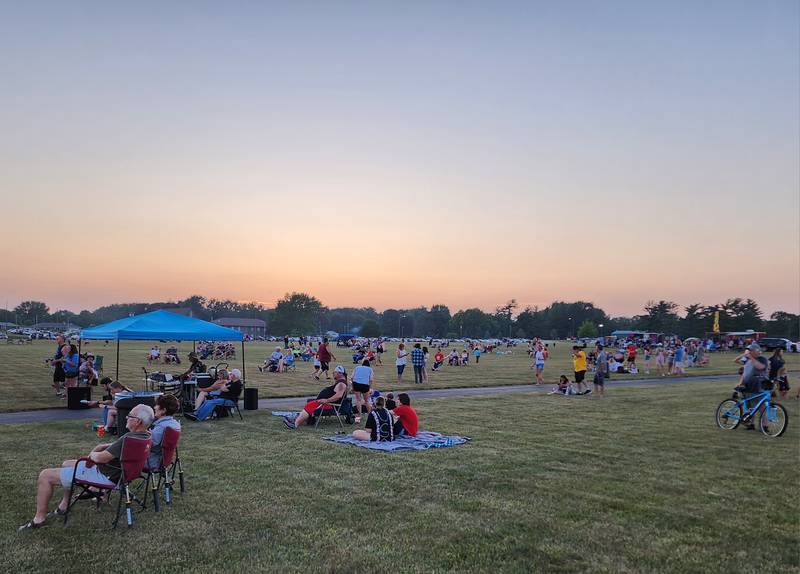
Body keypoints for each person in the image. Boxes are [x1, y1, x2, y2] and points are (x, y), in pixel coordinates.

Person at [18, 404, 154, 530]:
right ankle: (64, 505)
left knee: (45, 475)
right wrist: (106, 446)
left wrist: (94, 451)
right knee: (66, 464)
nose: (126, 417)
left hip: (105, 475)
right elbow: (120, 447)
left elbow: (99, 458)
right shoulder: (145, 436)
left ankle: (38, 519)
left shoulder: (128, 438)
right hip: (121, 475)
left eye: (129, 415)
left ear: (137, 421)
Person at [148, 395, 181, 470]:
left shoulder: (162, 426)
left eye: (157, 405)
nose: (154, 407)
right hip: (164, 461)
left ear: (163, 410)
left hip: (152, 461)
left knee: (122, 457)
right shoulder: (175, 424)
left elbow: (149, 443)